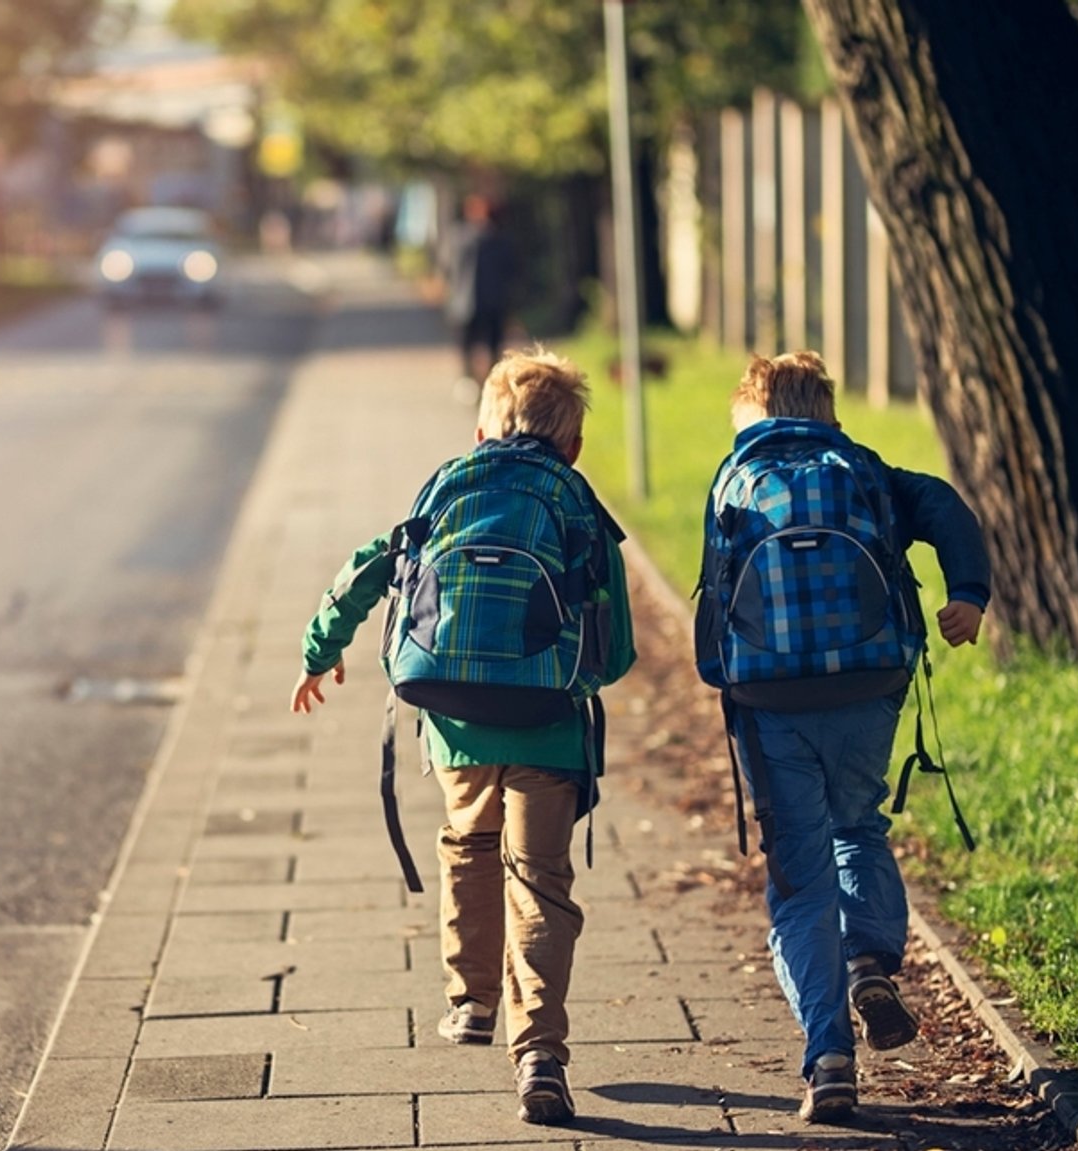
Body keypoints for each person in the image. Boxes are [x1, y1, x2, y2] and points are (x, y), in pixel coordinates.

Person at [289, 349, 634, 1126]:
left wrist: (320, 651)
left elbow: (371, 564)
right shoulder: (575, 497)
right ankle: (540, 1050)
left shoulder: (450, 482)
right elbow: (614, 640)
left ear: (483, 426)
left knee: (469, 843)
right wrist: (587, 676)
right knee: (540, 878)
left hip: (453, 713)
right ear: (572, 443)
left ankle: (473, 998)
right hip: (546, 721)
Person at [700, 351, 991, 1122]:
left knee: (798, 867)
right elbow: (946, 507)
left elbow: (713, 600)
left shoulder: (737, 476)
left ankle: (828, 1057)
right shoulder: (862, 465)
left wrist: (725, 680)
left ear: (752, 415)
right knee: (857, 825)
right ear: (826, 408)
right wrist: (968, 595)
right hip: (868, 684)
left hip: (772, 699)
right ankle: (869, 957)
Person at [442, 195, 515, 395]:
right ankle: (488, 385)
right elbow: (512, 271)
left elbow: (447, 267)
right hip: (492, 302)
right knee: (491, 347)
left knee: (469, 346)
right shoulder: (500, 239)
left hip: (464, 302)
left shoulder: (459, 237)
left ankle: (471, 381)